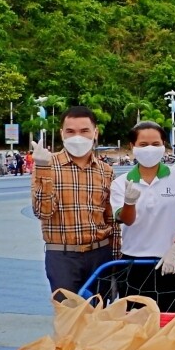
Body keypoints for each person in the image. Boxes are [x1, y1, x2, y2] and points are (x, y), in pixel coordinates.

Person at [111, 121, 175, 312]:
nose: (150, 149)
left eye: (155, 144)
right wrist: (129, 202)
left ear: (163, 146)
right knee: (137, 326)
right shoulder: (121, 183)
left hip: (174, 264)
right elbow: (126, 219)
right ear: (132, 147)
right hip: (135, 264)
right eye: (143, 145)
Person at [31, 106, 119, 294]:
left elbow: (111, 218)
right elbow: (43, 212)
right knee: (69, 315)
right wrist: (42, 169)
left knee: (100, 314)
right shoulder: (47, 164)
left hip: (100, 253)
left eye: (84, 131)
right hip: (63, 255)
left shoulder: (106, 171)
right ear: (62, 133)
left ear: (95, 133)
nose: (77, 137)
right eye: (70, 131)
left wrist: (116, 258)